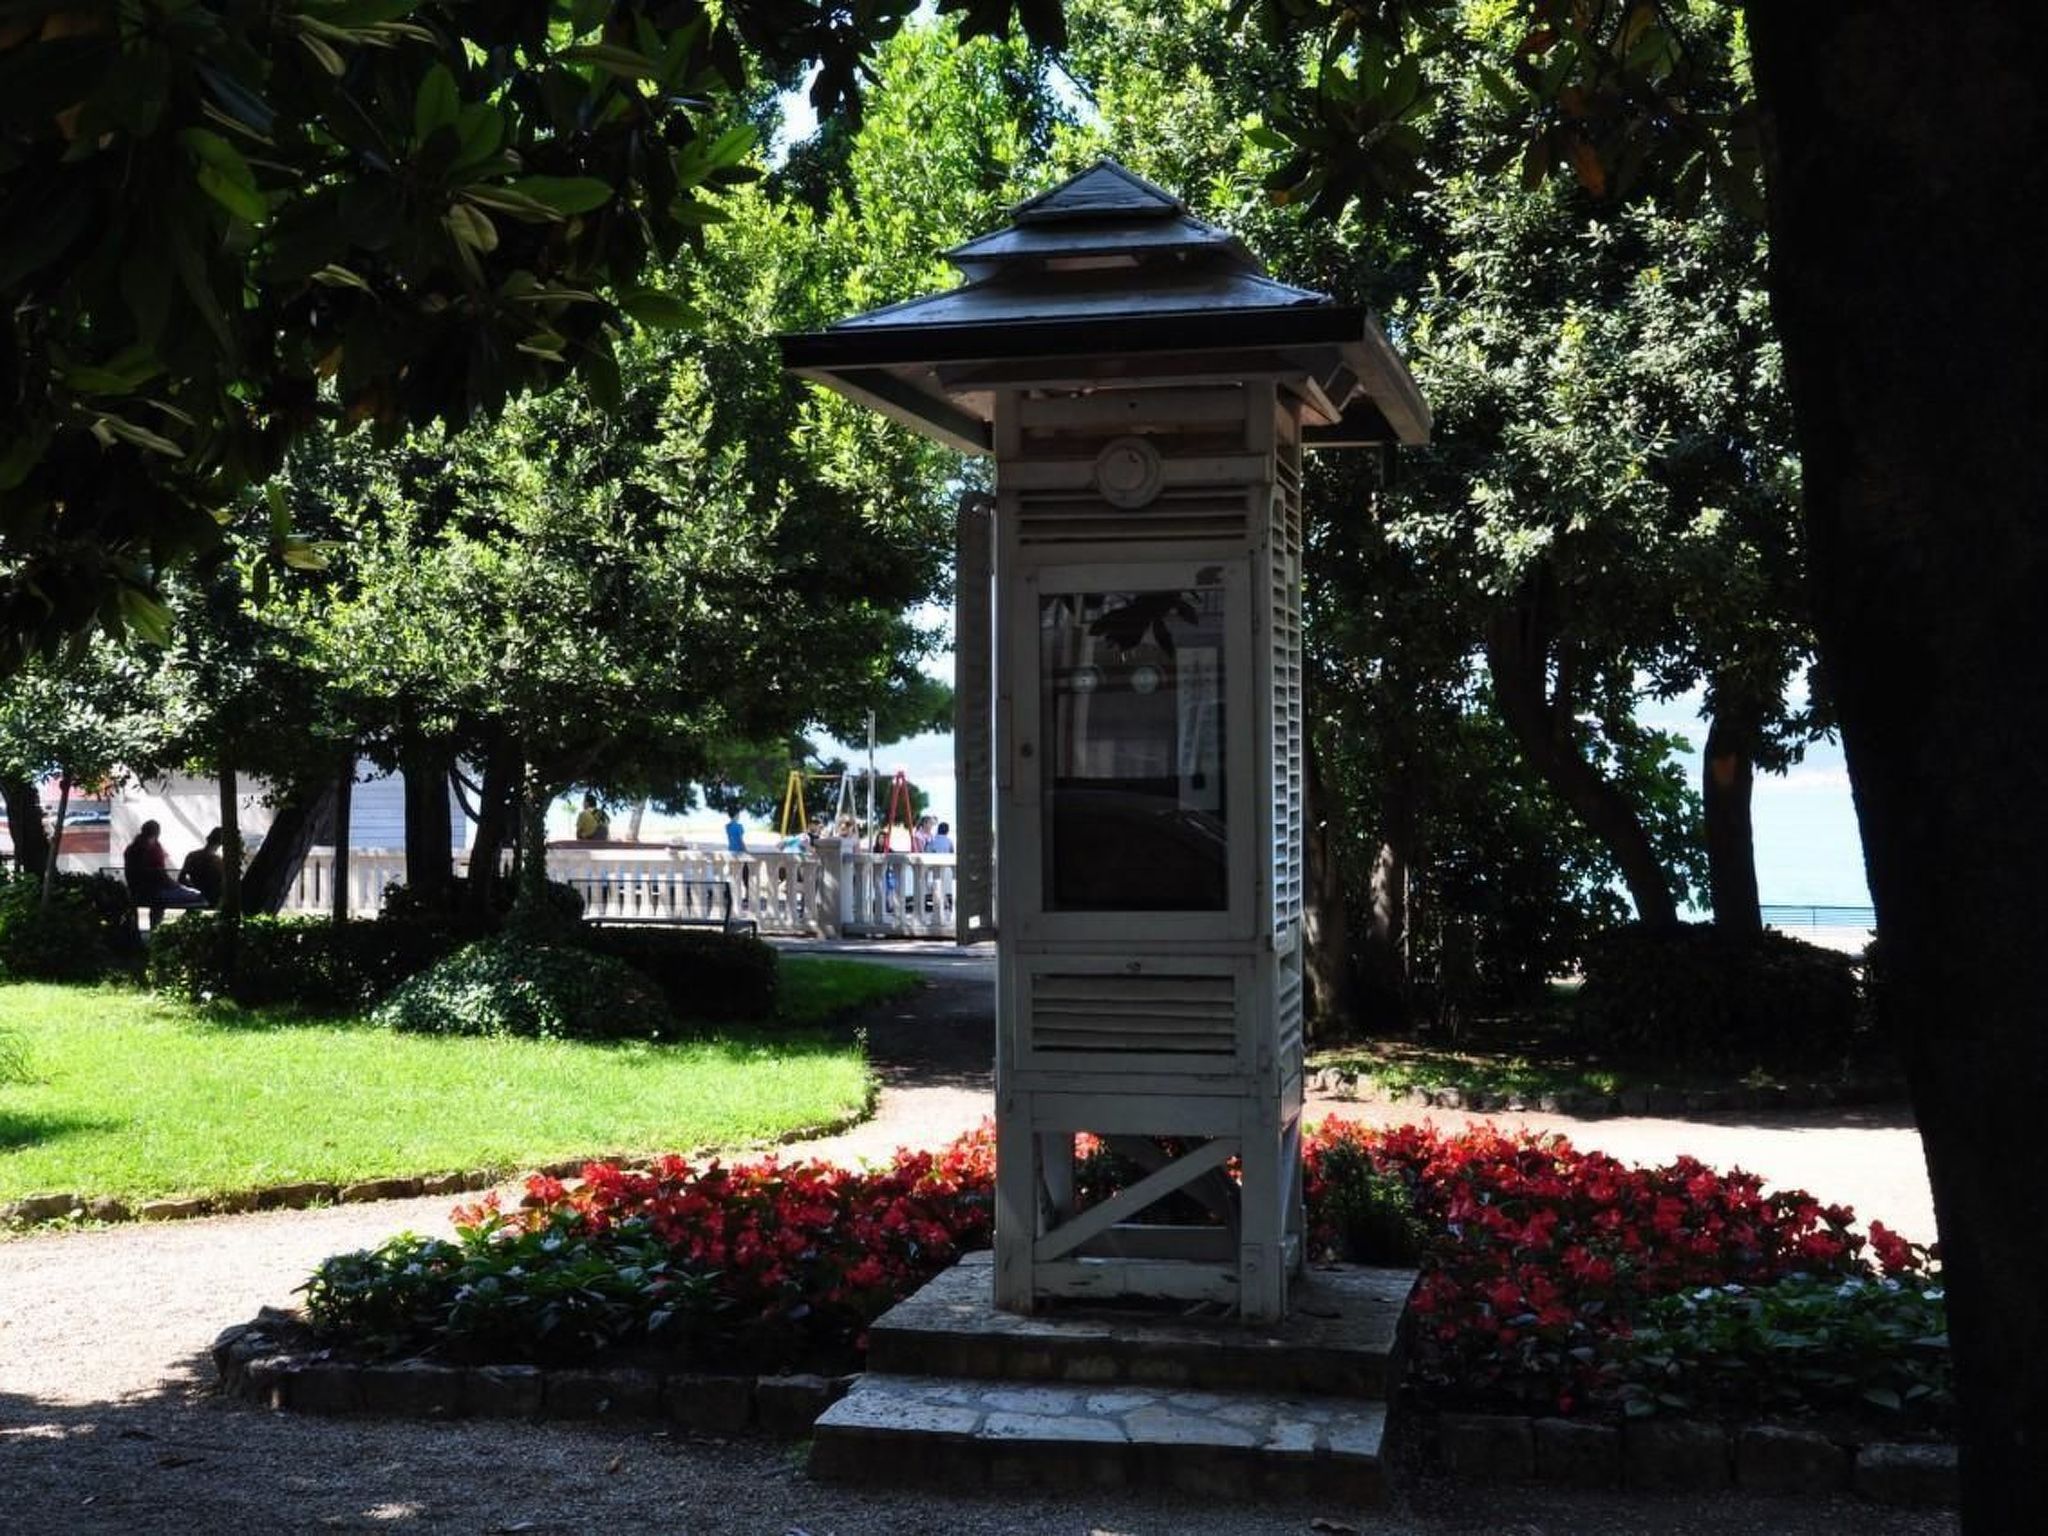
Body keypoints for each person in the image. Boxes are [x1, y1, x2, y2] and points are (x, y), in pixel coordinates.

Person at [122, 820, 207, 927]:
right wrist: (175, 885)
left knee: (191, 897)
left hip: (140, 891)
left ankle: (154, 927)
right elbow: (158, 874)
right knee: (199, 898)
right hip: (154, 892)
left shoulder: (134, 848)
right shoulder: (147, 849)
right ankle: (186, 927)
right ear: (157, 833)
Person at [177, 827, 226, 906]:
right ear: (221, 844)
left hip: (196, 896)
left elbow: (181, 879)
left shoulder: (192, 856)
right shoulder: (218, 862)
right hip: (212, 899)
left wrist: (196, 889)